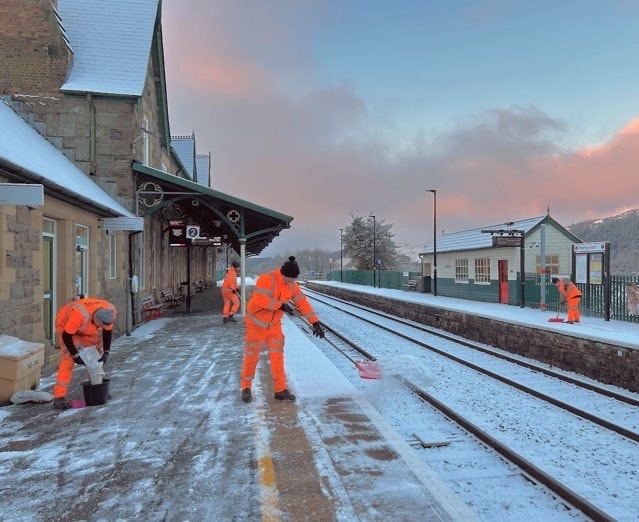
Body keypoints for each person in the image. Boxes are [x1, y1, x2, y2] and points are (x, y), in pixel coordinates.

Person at [240, 256, 325, 403]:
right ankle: (246, 387)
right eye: (289, 279)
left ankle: (280, 390)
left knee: (278, 357)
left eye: (293, 279)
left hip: (274, 325)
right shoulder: (267, 279)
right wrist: (280, 305)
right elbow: (259, 299)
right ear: (282, 274)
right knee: (251, 356)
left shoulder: (291, 285)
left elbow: (302, 303)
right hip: (256, 324)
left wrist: (315, 322)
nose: (291, 282)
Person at [53, 297, 116, 409]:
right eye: (100, 326)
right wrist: (75, 354)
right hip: (66, 326)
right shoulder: (79, 316)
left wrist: (106, 351)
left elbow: (107, 332)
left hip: (87, 327)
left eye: (101, 327)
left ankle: (98, 389)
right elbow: (66, 336)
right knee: (68, 359)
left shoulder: (109, 312)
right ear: (96, 320)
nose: (101, 328)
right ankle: (59, 397)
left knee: (95, 356)